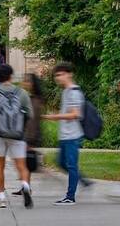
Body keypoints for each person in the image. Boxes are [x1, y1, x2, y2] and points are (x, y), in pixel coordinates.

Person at [0, 64, 33, 209]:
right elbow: (30, 114)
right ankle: (25, 185)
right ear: (11, 76)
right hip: (18, 135)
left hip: (0, 134)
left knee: (0, 165)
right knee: (21, 165)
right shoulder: (22, 93)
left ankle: (2, 198)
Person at [42, 63, 86, 206]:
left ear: (69, 74)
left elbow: (75, 114)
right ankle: (84, 181)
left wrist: (52, 117)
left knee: (71, 165)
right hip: (65, 135)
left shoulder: (74, 92)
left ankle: (70, 197)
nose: (58, 78)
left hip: (73, 135)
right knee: (61, 163)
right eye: (56, 75)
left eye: (60, 74)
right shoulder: (66, 91)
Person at [12, 73, 44, 196]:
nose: (24, 83)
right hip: (25, 134)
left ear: (32, 84)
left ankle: (27, 186)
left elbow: (33, 121)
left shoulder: (35, 100)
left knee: (24, 162)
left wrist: (29, 138)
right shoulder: (29, 97)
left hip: (29, 135)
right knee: (24, 161)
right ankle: (25, 187)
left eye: (27, 82)